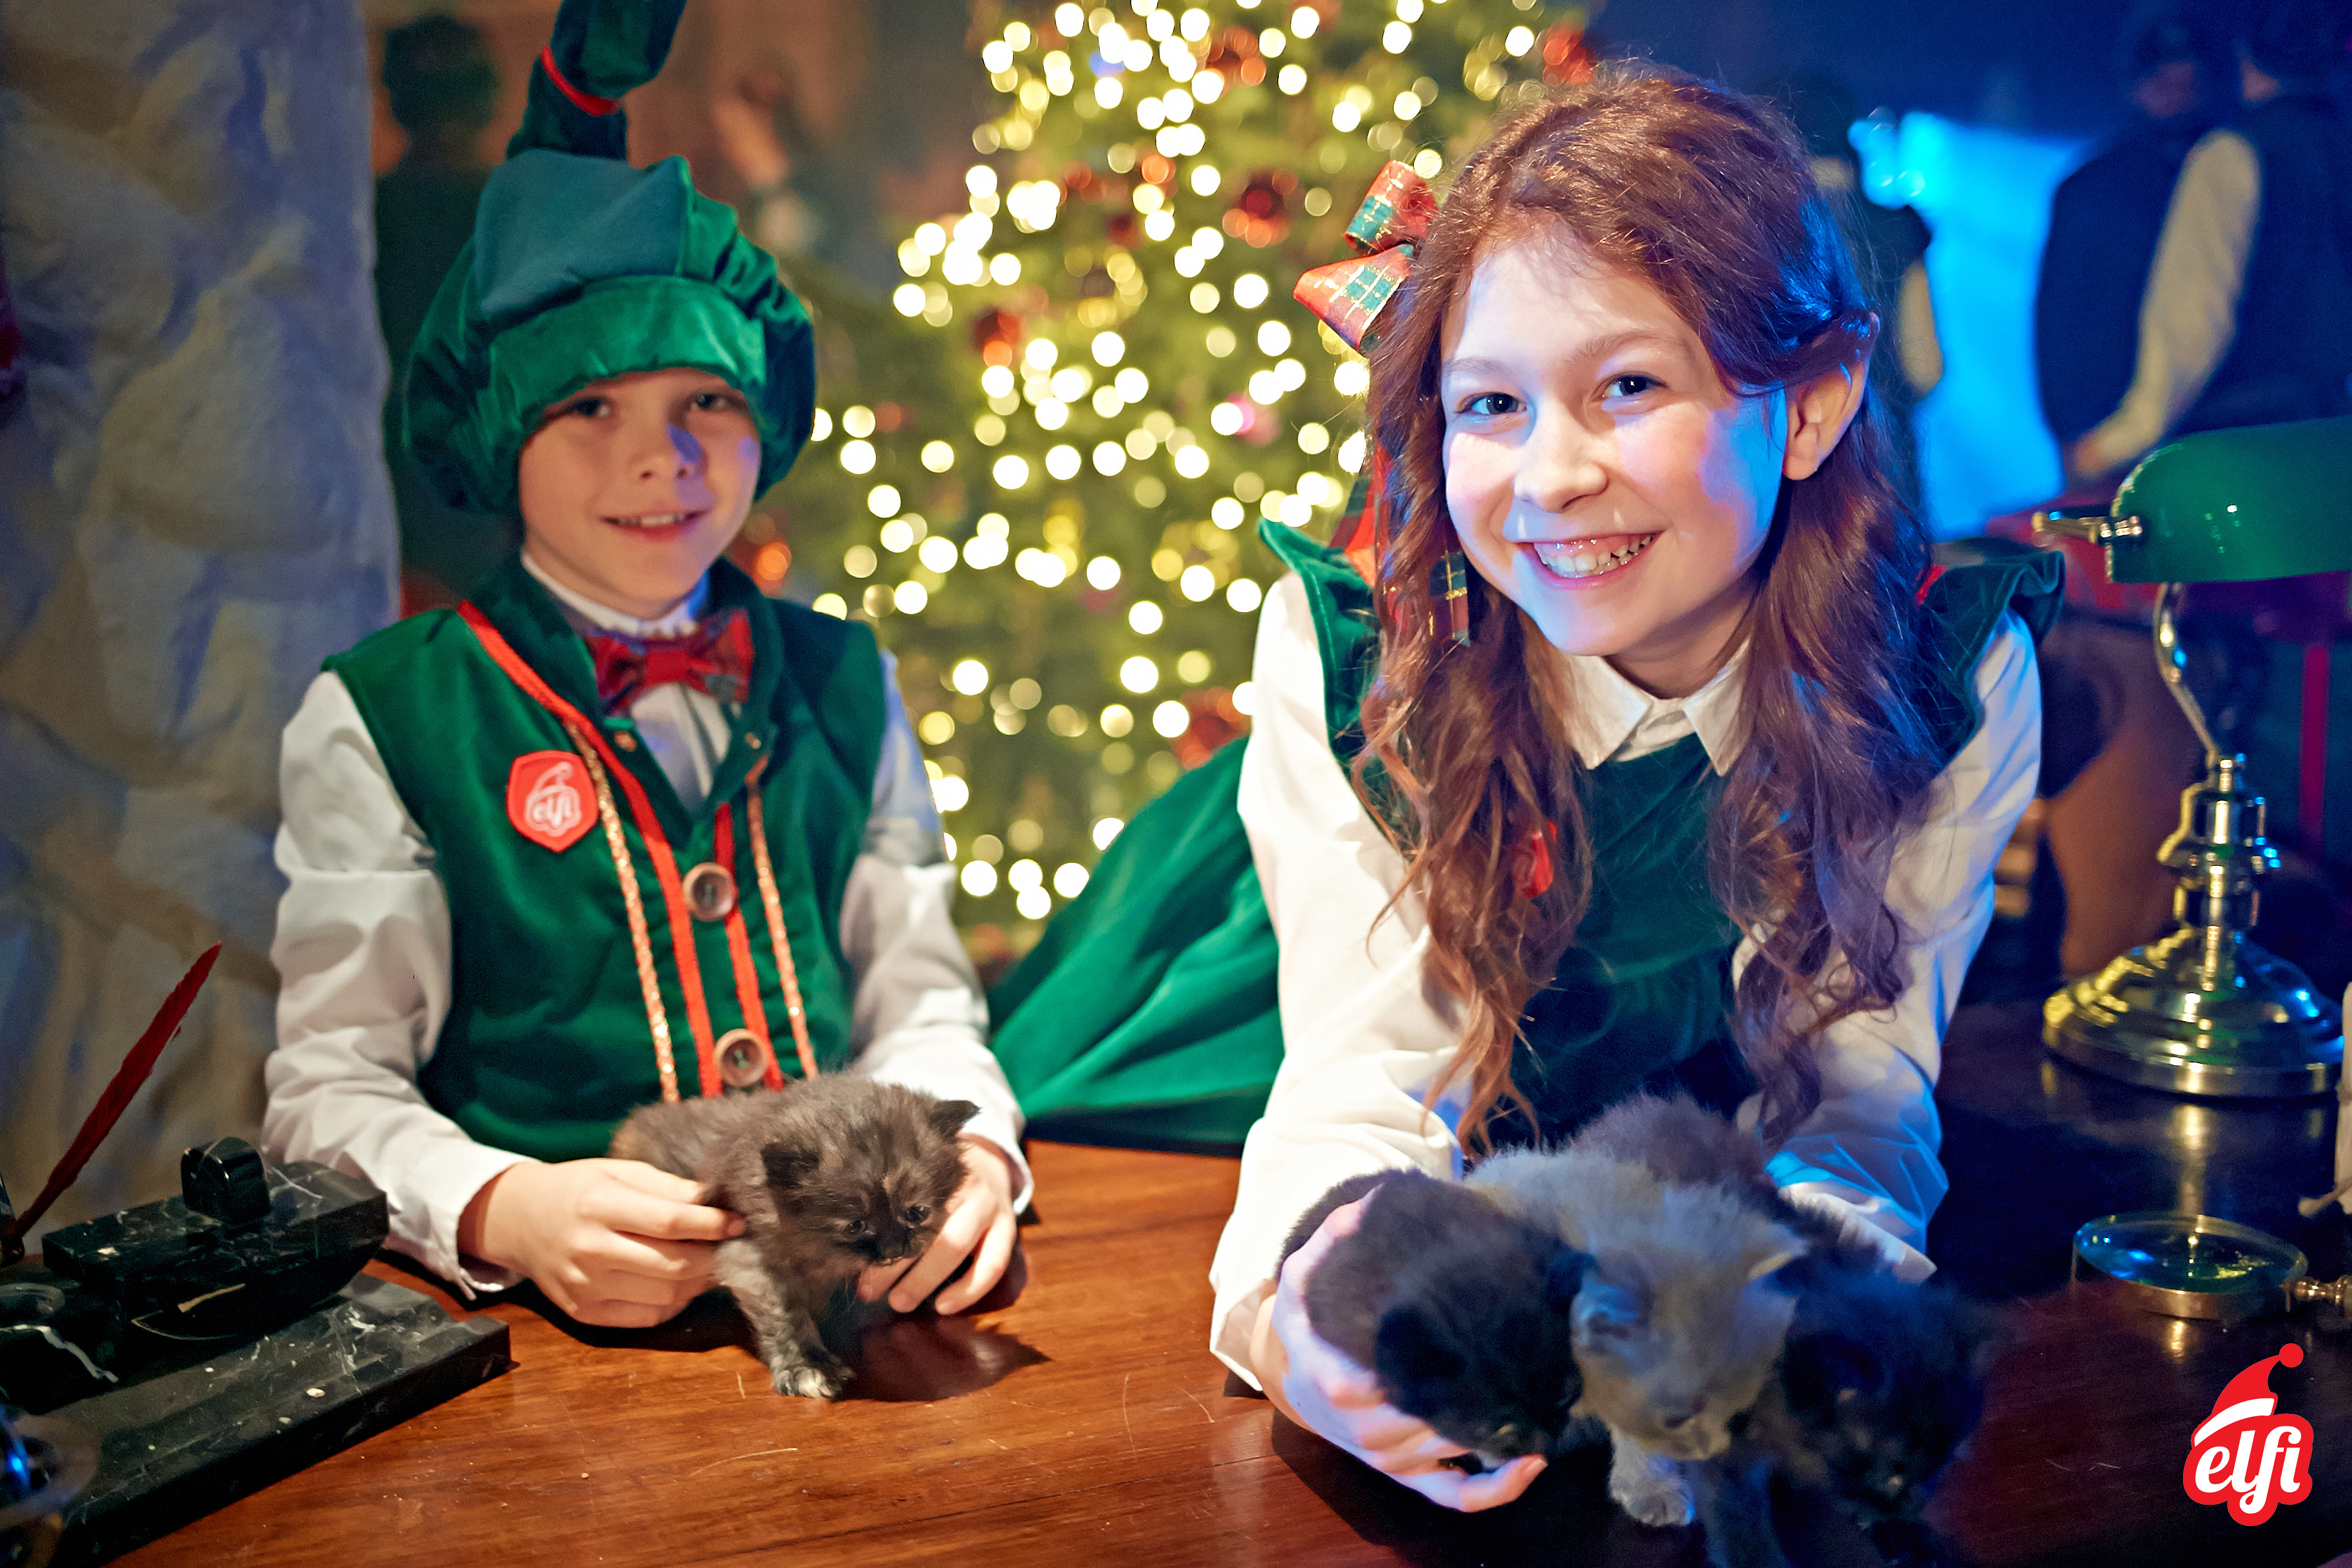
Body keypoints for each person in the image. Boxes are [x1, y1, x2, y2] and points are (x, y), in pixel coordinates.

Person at [1213, 70, 2056, 1511]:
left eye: (1628, 386)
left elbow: (1859, 1084)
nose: (1548, 479)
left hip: (1675, 1103)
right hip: (1262, 985)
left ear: (1810, 403)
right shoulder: (1368, 666)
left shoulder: (1946, 674)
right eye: (1490, 403)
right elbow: (1363, 1070)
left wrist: (1787, 1325)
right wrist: (1318, 1314)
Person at [263, 0, 1026, 1330]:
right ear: (503, 435)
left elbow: (917, 997)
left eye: (706, 405)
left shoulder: (846, 679)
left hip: (866, 1320)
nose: (660, 461)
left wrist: (981, 1157)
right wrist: (504, 1204)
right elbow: (327, 1091)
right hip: (554, 1371)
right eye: (590, 408)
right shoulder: (387, 715)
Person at [2066, 0, 2351, 482]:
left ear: (2241, 54)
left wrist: (2103, 449)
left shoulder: (2230, 156)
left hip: (2250, 464)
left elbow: (2187, 338)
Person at [2034, 7, 2230, 453]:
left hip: (2211, 421)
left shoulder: (2230, 170)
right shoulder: (2088, 188)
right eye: (2163, 80)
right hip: (2111, 425)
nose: (2176, 92)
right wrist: (2072, 432)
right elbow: (2059, 318)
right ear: (2134, 85)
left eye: (2188, 80)